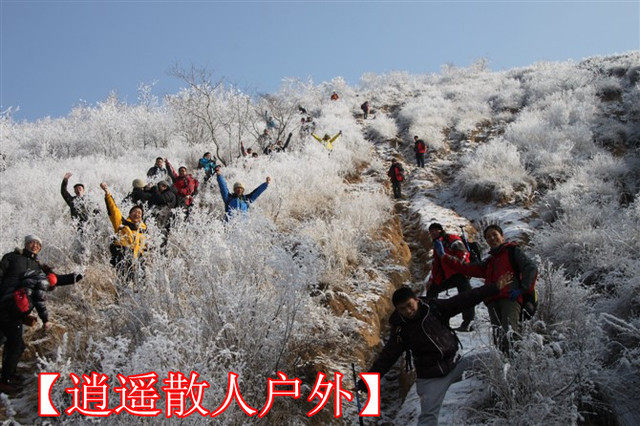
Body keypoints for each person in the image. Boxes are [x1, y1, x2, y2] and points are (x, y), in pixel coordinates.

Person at [357, 280, 511, 426]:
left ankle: (505, 400)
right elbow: (387, 357)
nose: (408, 311)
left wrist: (494, 287)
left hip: (456, 363)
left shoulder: (434, 308)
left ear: (416, 300)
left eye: (409, 305)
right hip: (431, 377)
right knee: (428, 418)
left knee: (494, 359)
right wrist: (366, 382)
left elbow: (463, 299)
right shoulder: (400, 330)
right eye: (402, 309)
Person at [0, 236, 82, 393]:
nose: (35, 245)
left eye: (38, 244)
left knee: (12, 342)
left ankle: (8, 375)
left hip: (18, 310)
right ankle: (5, 380)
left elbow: (54, 280)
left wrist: (77, 276)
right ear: (26, 244)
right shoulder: (12, 257)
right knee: (15, 344)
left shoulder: (38, 267)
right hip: (6, 305)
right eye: (32, 242)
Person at [441, 224, 538, 355]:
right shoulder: (490, 261)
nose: (492, 238)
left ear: (502, 236)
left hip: (509, 298)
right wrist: (446, 258)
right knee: (498, 338)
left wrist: (523, 289)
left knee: (510, 334)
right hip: (492, 301)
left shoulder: (512, 251)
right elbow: (468, 268)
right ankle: (504, 365)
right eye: (488, 237)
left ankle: (518, 364)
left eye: (494, 235)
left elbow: (531, 267)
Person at [426, 223, 475, 331]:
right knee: (431, 290)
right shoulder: (437, 244)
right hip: (448, 275)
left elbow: (463, 255)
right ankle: (432, 319)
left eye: (434, 230)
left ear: (440, 230)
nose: (432, 233)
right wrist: (431, 280)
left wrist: (462, 267)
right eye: (431, 232)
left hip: (460, 272)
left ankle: (468, 322)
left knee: (466, 295)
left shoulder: (451, 239)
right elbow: (436, 265)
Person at [100, 183, 147, 282]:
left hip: (137, 260)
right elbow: (114, 210)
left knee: (140, 283)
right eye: (135, 211)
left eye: (139, 213)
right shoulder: (122, 223)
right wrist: (107, 193)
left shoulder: (143, 229)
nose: (137, 214)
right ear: (130, 214)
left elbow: (146, 247)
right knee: (124, 281)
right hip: (123, 257)